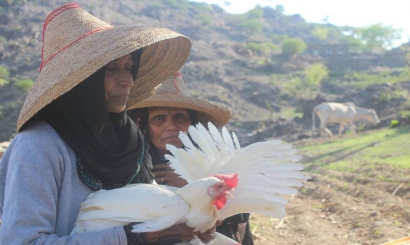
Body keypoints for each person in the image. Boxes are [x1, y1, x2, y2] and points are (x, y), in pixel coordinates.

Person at [0, 3, 216, 245]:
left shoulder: (130, 141)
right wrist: (132, 237)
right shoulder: (38, 148)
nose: (127, 81)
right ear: (80, 81)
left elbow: (147, 214)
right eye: (110, 69)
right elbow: (22, 241)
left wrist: (185, 223)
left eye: (129, 67)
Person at [128, 72, 255, 245]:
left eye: (180, 117)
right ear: (144, 125)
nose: (171, 126)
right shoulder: (133, 164)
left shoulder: (214, 157)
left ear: (192, 123)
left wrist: (193, 186)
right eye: (159, 118)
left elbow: (242, 212)